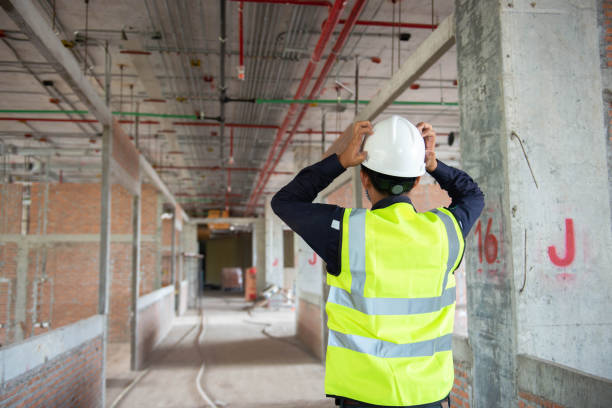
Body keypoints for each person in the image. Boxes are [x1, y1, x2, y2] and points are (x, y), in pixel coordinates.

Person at [271, 116, 484, 408]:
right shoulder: (446, 231)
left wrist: (340, 161)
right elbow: (472, 194)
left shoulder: (345, 232)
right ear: (418, 178)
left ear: (364, 177)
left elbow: (285, 201)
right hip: (427, 395)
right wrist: (434, 163)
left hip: (363, 395)